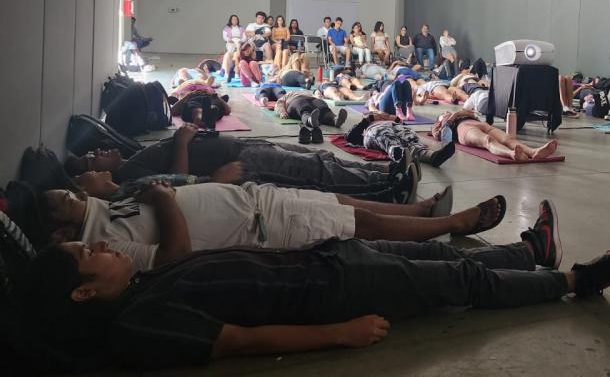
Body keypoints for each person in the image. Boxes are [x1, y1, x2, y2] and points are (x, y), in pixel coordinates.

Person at [16, 202, 610, 371]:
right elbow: (237, 340)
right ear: (82, 294)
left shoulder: (140, 285)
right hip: (332, 291)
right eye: (87, 255)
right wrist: (337, 335)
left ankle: (528, 252)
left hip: (321, 260)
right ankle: (573, 280)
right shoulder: (137, 326)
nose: (100, 246)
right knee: (458, 278)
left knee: (431, 256)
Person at [35, 175, 507, 275]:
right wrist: (162, 198)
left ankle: (422, 212)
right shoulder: (101, 244)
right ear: (60, 234)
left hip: (252, 202)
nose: (75, 195)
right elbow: (173, 258)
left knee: (339, 201)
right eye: (65, 201)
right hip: (257, 227)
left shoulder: (105, 207)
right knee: (357, 223)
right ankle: (454, 222)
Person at [65, 127, 420, 202]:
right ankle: (387, 188)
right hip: (237, 160)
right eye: (90, 161)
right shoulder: (128, 174)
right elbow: (178, 178)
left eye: (93, 155)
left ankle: (385, 172)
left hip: (238, 147)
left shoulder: (130, 158)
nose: (96, 157)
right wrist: (184, 142)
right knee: (315, 172)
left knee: (317, 159)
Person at [432, 109, 559, 161]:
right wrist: (446, 122)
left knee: (507, 138)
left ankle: (533, 152)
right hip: (463, 128)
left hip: (481, 124)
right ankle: (512, 154)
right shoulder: (439, 123)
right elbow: (438, 135)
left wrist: (456, 114)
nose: (446, 112)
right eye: (443, 113)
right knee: (488, 140)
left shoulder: (457, 113)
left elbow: (472, 113)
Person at [347, 112, 456, 167]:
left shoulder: (391, 120)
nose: (379, 114)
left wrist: (394, 118)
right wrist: (370, 119)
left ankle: (432, 157)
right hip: (376, 130)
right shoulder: (366, 125)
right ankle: (398, 153)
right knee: (385, 136)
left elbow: (402, 124)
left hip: (395, 126)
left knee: (411, 139)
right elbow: (350, 137)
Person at [274, 90, 349, 144]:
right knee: (304, 108)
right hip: (296, 100)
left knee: (322, 107)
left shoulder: (307, 92)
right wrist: (282, 112)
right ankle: (310, 120)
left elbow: (318, 95)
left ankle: (335, 121)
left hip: (312, 99)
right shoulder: (287, 95)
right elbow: (279, 104)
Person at [221, 14, 244, 81]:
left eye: (236, 19)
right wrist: (229, 39)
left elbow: (244, 37)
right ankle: (226, 73)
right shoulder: (227, 28)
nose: (234, 20)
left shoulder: (241, 28)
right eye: (233, 19)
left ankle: (236, 74)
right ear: (231, 20)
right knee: (228, 54)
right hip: (231, 42)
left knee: (237, 54)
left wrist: (241, 40)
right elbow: (225, 37)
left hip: (238, 41)